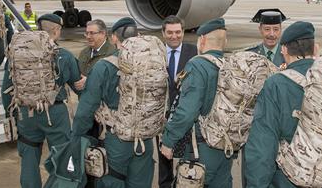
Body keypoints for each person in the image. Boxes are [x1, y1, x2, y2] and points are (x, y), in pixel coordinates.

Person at [2, 13, 84, 188]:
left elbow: (5, 89)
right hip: (54, 114)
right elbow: (78, 87)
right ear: (56, 30)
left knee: (29, 157)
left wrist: (12, 115)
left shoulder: (18, 54)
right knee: (61, 157)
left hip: (25, 112)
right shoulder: (64, 55)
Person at [72, 17, 155, 188]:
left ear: (114, 38)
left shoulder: (105, 66)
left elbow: (86, 109)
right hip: (145, 138)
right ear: (137, 35)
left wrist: (76, 136)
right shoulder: (152, 63)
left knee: (112, 181)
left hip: (117, 140)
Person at [160, 18, 235, 187]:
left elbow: (187, 111)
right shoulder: (228, 66)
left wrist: (168, 140)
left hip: (201, 149)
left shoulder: (198, 65)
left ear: (202, 40)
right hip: (225, 146)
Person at [244, 21, 317, 187]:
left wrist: (256, 184)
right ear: (314, 48)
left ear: (284, 49)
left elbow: (264, 144)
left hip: (288, 178)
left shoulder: (276, 84)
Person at [157, 15, 198, 188]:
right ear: (163, 33)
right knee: (164, 157)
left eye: (178, 32)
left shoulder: (194, 52)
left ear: (183, 31)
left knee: (187, 155)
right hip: (162, 114)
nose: (174, 36)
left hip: (186, 114)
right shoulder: (156, 53)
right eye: (170, 32)